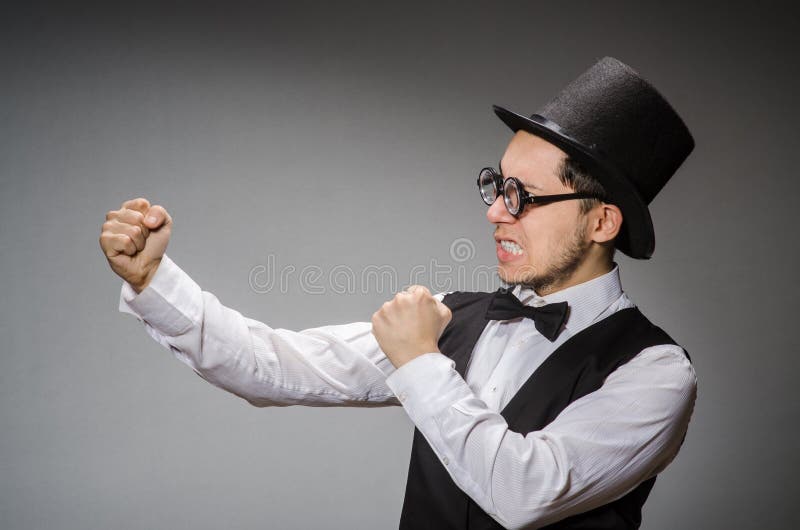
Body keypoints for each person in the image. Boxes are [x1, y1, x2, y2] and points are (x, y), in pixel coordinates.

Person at [99, 57, 697, 529]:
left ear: (602, 223)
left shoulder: (656, 373)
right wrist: (154, 282)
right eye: (496, 185)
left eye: (524, 196)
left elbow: (525, 493)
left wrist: (420, 361)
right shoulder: (451, 318)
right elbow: (273, 366)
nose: (494, 212)